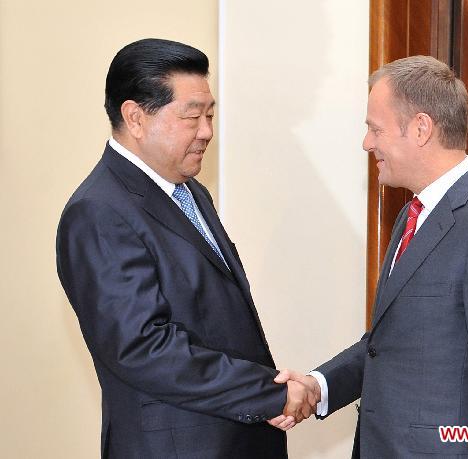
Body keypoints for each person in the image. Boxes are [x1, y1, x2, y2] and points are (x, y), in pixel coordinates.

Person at [271, 55, 468, 458]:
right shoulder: (411, 214)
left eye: (374, 128)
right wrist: (319, 385)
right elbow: (389, 344)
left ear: (420, 128)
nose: (367, 143)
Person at [56, 38, 313, 458]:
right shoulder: (98, 212)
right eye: (191, 116)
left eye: (210, 115)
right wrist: (268, 394)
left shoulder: (189, 191)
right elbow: (143, 348)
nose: (207, 131)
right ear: (135, 117)